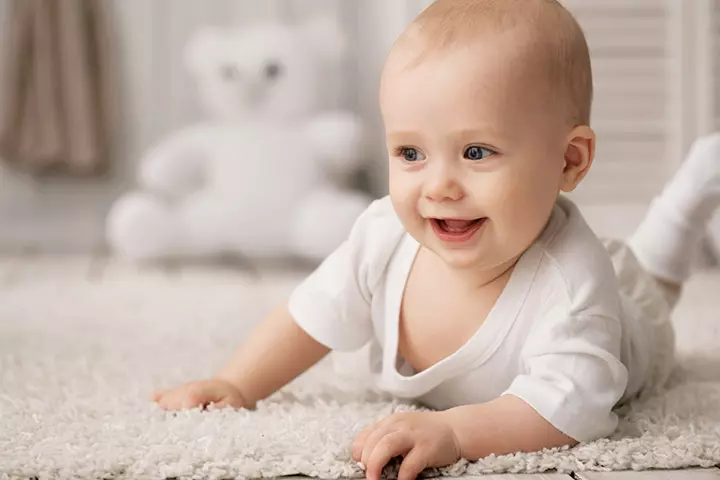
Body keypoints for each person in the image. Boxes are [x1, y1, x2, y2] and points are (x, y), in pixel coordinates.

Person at [152, 1, 720, 479]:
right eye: (410, 154)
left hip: (627, 329)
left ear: (568, 161)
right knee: (642, 276)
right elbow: (309, 313)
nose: (439, 186)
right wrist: (237, 382)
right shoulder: (383, 234)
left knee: (652, 290)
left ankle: (689, 195)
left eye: (476, 152)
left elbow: (566, 410)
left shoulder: (571, 284)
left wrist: (456, 430)